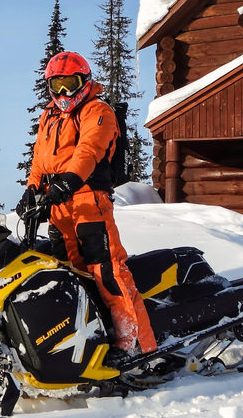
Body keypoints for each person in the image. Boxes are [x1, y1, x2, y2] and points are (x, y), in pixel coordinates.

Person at [19, 50, 157, 356]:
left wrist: (67, 182)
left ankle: (136, 344)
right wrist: (31, 189)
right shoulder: (49, 116)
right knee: (69, 274)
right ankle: (88, 339)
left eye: (71, 83)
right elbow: (40, 159)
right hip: (57, 206)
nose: (64, 92)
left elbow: (89, 151)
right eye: (58, 85)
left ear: (85, 81)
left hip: (87, 200)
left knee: (107, 271)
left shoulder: (98, 110)